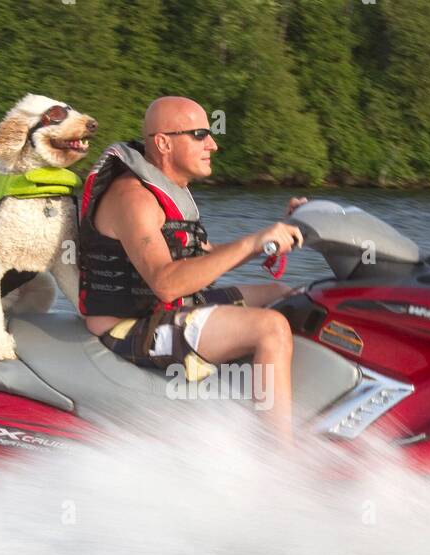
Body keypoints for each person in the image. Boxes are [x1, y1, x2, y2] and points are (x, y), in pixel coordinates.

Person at [76, 96, 306, 440]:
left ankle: (289, 409)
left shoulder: (164, 190)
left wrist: (277, 234)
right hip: (129, 327)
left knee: (285, 296)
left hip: (167, 310)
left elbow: (204, 257)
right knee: (270, 327)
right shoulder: (133, 198)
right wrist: (253, 242)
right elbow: (166, 284)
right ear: (164, 143)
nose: (212, 144)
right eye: (199, 134)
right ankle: (278, 458)